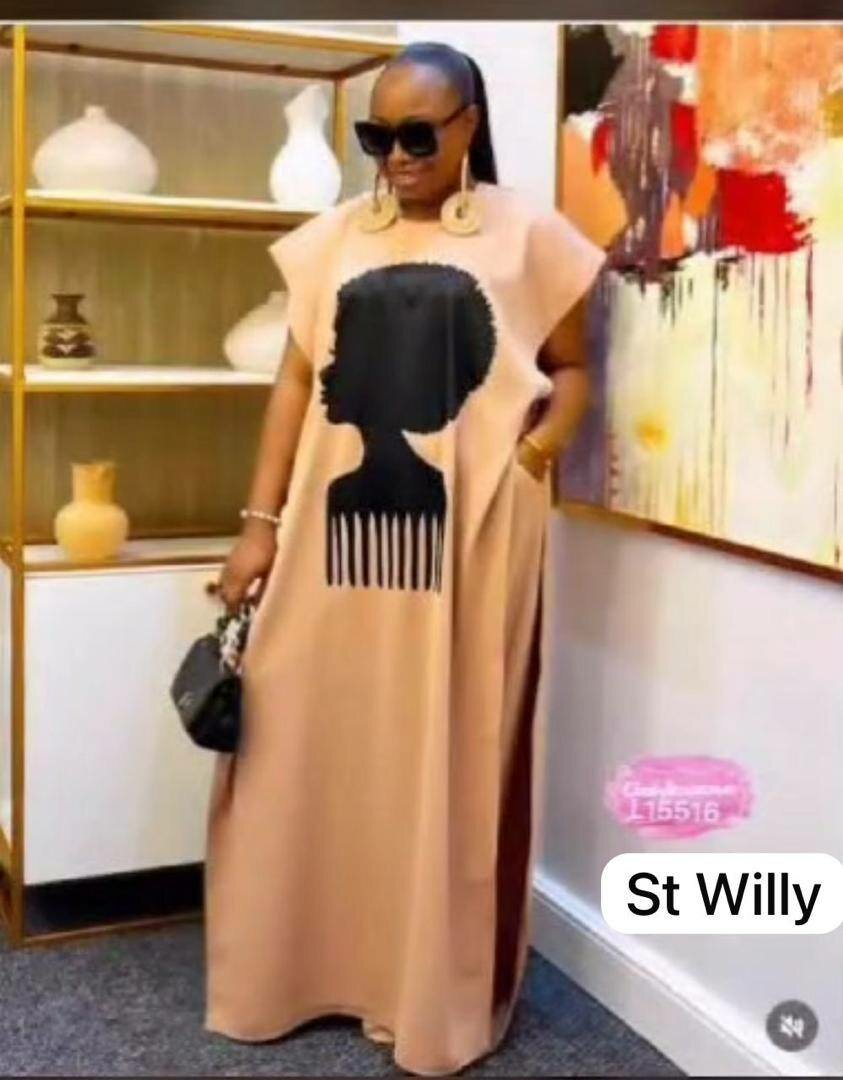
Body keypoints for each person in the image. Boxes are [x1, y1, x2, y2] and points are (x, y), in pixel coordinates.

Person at [203, 40, 606, 1078]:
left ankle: (420, 990)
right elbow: (295, 385)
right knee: (300, 739)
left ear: (469, 123)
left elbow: (571, 371)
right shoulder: (334, 239)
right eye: (375, 137)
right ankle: (291, 970)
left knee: (445, 751)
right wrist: (258, 523)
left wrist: (532, 458)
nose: (395, 157)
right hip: (327, 535)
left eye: (417, 135)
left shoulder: (531, 238)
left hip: (475, 541)